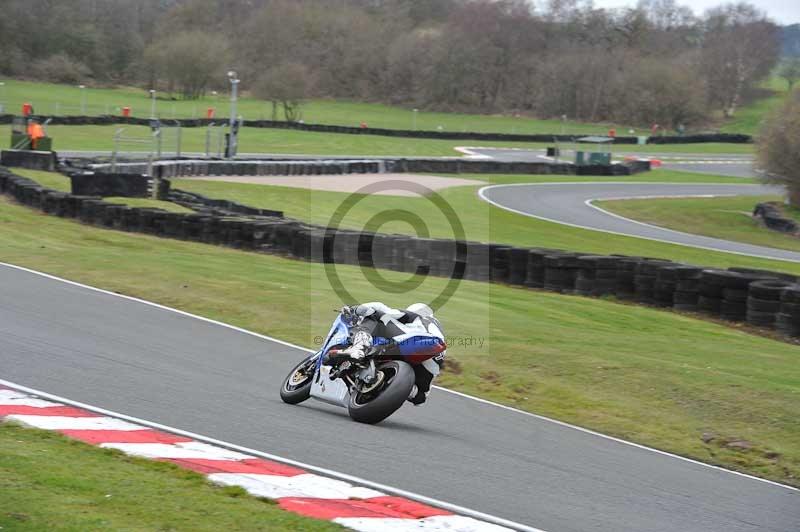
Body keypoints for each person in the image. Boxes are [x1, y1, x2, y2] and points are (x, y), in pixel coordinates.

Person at [339, 302, 445, 405]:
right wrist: (405, 387)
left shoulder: (417, 316)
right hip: (434, 358)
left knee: (373, 317)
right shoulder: (437, 332)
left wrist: (358, 309)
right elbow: (421, 398)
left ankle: (360, 346)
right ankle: (395, 382)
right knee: (421, 394)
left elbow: (390, 312)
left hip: (415, 343)